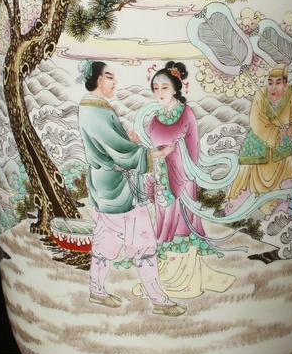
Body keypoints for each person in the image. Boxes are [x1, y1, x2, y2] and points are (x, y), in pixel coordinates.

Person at [77, 61, 186, 316]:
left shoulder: (94, 107)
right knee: (143, 244)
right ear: (97, 80)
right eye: (109, 77)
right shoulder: (95, 111)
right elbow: (117, 150)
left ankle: (97, 290)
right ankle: (159, 301)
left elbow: (112, 145)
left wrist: (127, 139)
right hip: (119, 188)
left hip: (106, 186)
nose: (114, 82)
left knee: (105, 241)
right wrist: (156, 154)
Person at [139, 62, 235, 298]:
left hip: (182, 178)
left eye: (164, 87)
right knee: (163, 224)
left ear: (175, 88)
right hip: (162, 176)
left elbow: (193, 149)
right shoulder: (154, 118)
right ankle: (161, 277)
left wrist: (182, 171)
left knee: (180, 225)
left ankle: (184, 278)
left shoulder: (186, 113)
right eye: (155, 88)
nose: (159, 93)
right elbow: (150, 146)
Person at [226, 63, 292, 216]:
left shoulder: (290, 94)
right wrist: (275, 133)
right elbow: (256, 121)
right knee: (246, 175)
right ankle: (234, 210)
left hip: (281, 145)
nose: (273, 88)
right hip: (258, 142)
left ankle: (280, 211)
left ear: (285, 84)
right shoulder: (261, 95)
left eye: (278, 83)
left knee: (288, 166)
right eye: (270, 83)